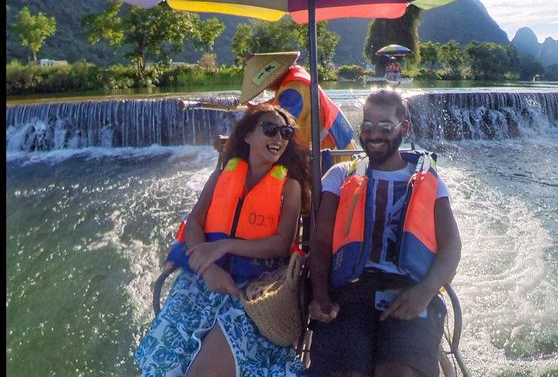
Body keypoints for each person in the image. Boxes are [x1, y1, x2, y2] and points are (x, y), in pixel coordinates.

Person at [134, 104, 311, 377]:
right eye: (270, 129)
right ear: (248, 136)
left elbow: (280, 243)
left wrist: (223, 246)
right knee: (159, 367)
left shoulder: (290, 187)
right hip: (203, 282)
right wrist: (208, 269)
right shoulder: (221, 176)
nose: (278, 138)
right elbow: (194, 221)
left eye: (285, 133)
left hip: (251, 292)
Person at [306, 89, 462, 377]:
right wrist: (319, 295)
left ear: (404, 128)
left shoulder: (429, 181)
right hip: (350, 292)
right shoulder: (340, 176)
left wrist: (425, 291)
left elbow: (452, 244)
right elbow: (322, 241)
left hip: (409, 289)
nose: (373, 134)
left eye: (384, 126)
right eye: (367, 126)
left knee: (398, 372)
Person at [240, 51, 356, 152]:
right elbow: (279, 102)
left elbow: (280, 120)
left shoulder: (293, 90)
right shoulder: (294, 74)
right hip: (337, 142)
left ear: (273, 76)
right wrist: (259, 107)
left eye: (265, 84)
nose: (266, 87)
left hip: (334, 150)